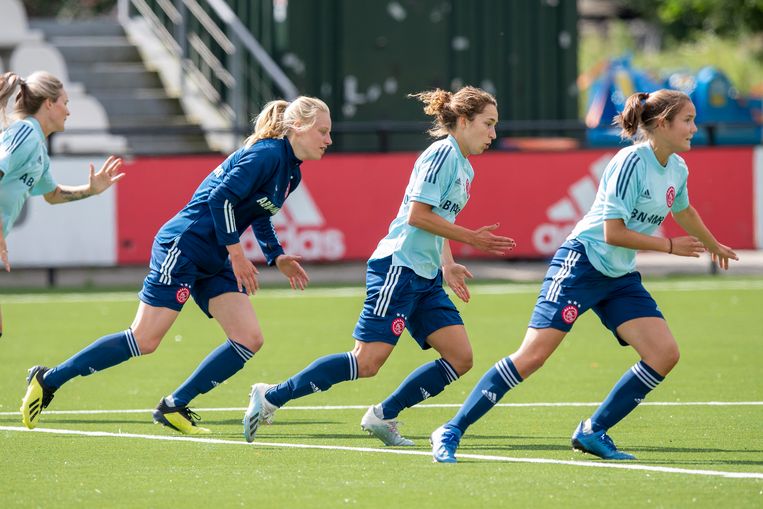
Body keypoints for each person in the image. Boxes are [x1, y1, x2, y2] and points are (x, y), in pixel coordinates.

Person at [430, 89, 739, 463]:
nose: (694, 128)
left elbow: (684, 210)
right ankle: (451, 429)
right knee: (532, 356)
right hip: (581, 264)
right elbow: (613, 233)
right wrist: (670, 247)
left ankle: (594, 430)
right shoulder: (631, 162)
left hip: (618, 274)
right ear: (662, 124)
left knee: (664, 354)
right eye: (687, 120)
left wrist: (714, 244)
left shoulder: (677, 167)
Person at [20, 96, 333, 434]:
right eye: (323, 131)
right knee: (144, 339)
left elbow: (260, 213)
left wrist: (276, 255)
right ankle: (49, 379)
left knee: (249, 338)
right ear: (298, 128)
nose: (328, 140)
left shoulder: (291, 171)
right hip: (185, 246)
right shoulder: (267, 154)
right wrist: (238, 254)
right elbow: (220, 198)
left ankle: (174, 405)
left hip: (214, 255)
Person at [243, 86, 516, 445]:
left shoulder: (464, 167)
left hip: (425, 274)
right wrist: (472, 238)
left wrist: (447, 264)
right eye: (488, 124)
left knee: (460, 358)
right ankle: (271, 396)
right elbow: (418, 217)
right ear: (463, 121)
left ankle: (383, 415)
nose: (493, 134)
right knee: (367, 362)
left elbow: (438, 218)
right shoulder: (441, 155)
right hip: (398, 268)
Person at [0, 71, 124, 338]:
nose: (68, 111)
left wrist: (91, 190)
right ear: (48, 103)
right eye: (65, 103)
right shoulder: (24, 133)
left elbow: (52, 194)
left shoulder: (39, 150)